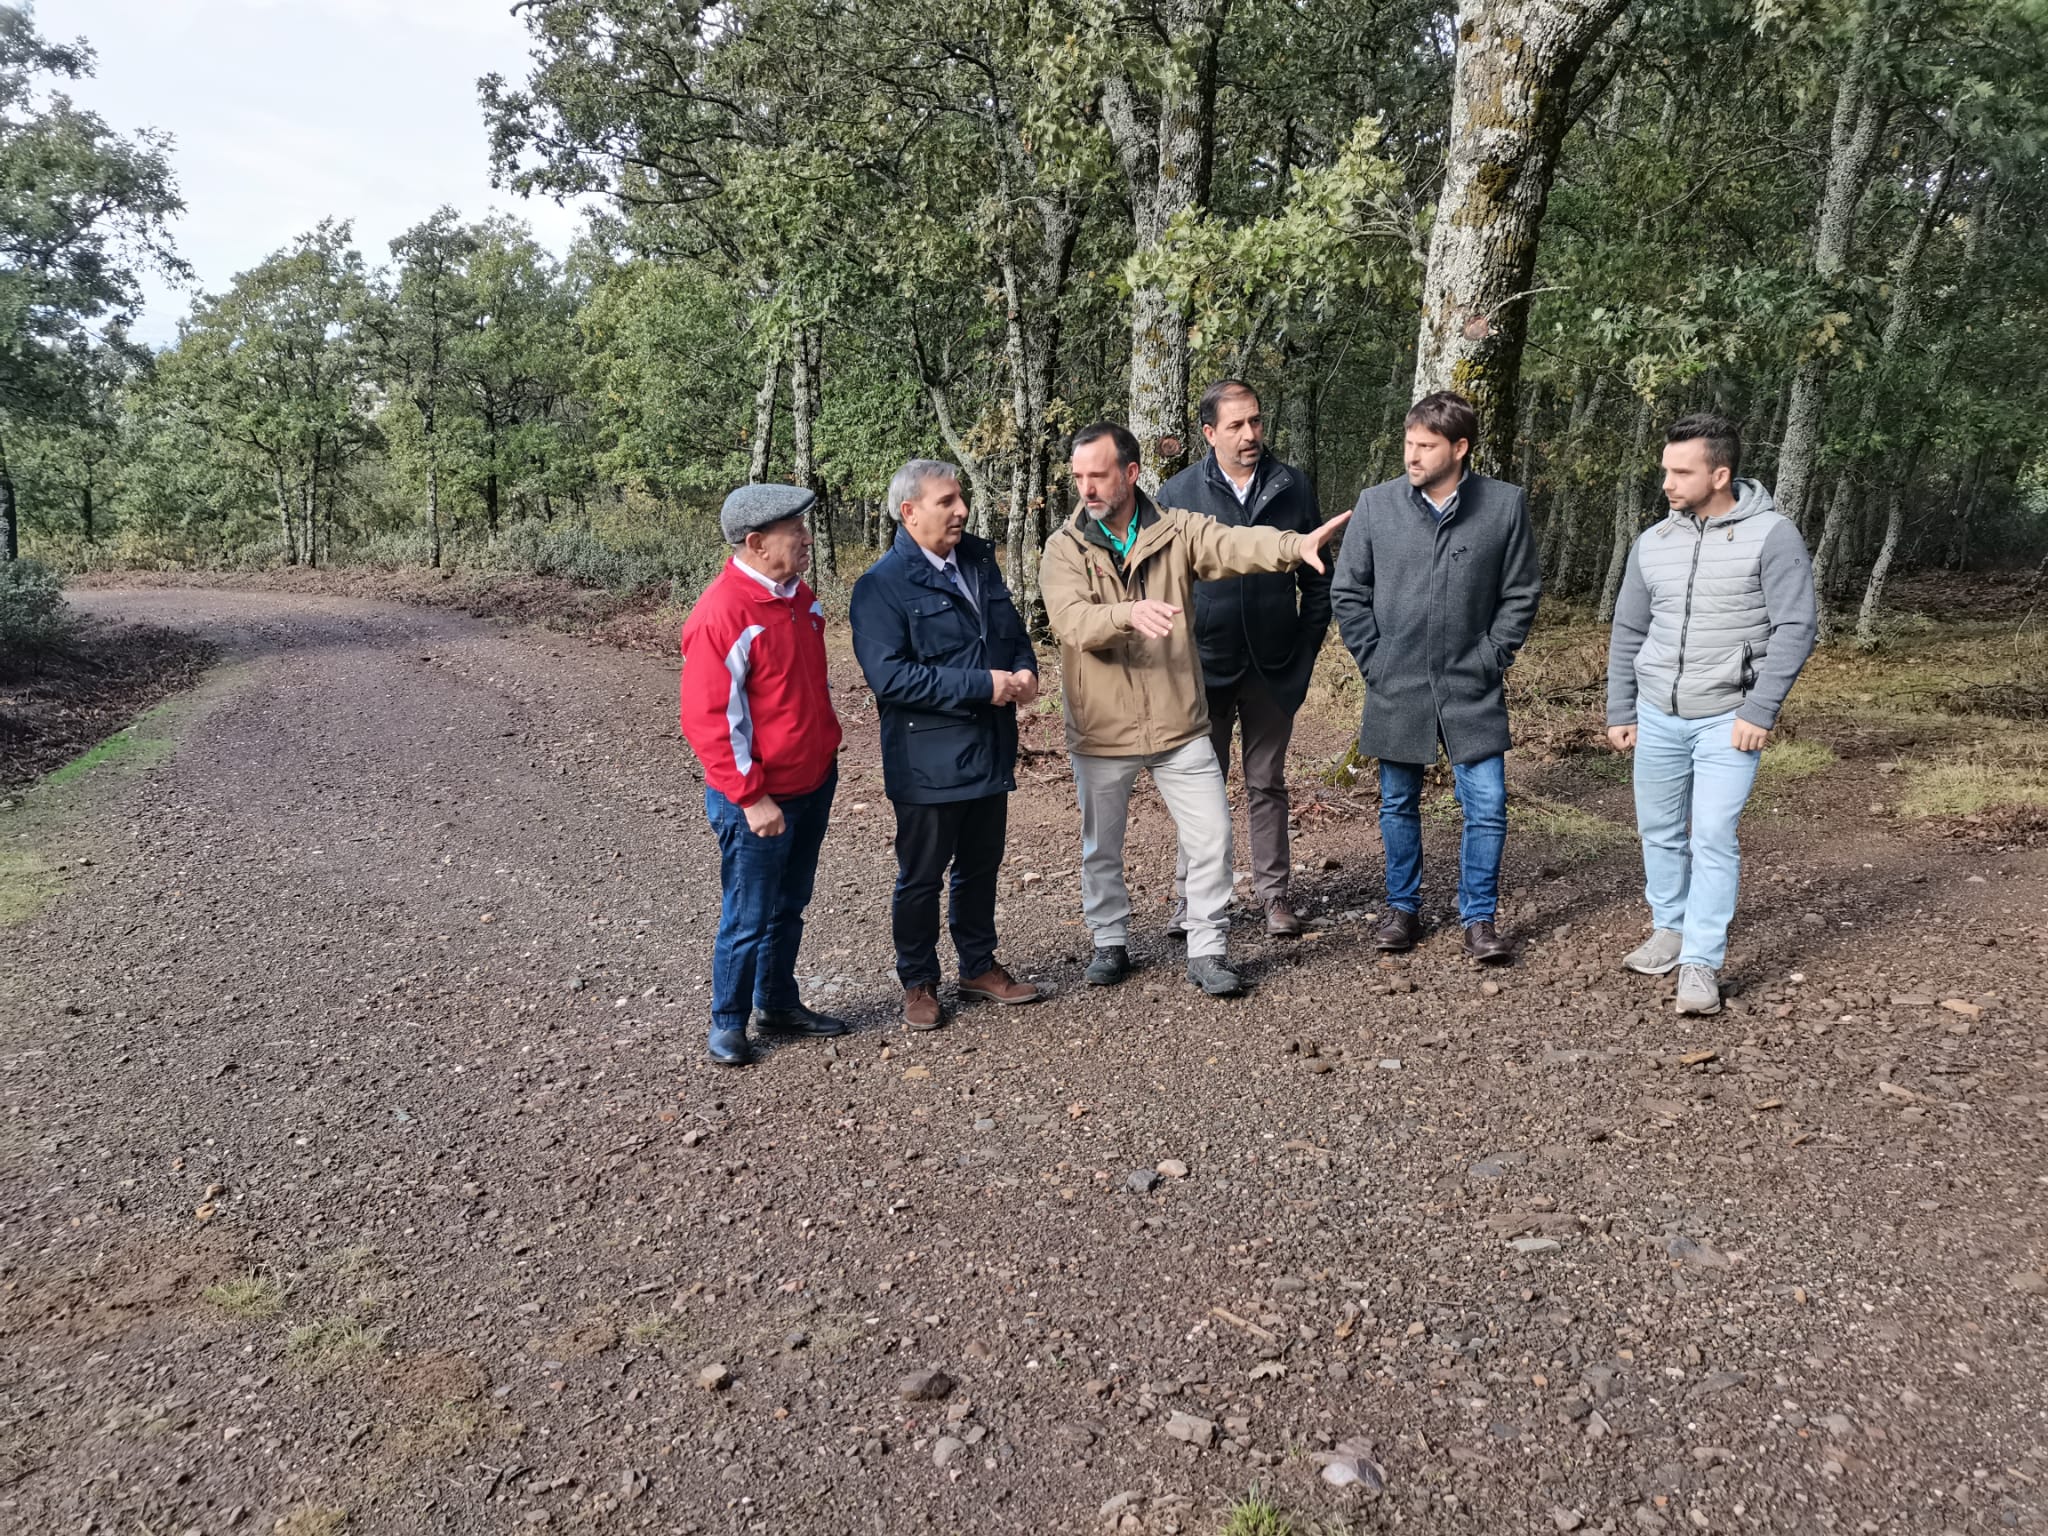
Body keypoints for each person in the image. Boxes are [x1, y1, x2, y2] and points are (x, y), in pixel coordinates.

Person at [1040, 422, 1351, 997]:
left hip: (1178, 721)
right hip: (1102, 728)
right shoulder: (1064, 547)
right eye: (1079, 476)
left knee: (1212, 836)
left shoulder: (1177, 529)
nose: (1086, 487)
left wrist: (1293, 546)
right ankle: (1109, 941)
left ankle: (1207, 948)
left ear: (1131, 474)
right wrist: (1126, 616)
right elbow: (1070, 621)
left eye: (1098, 475)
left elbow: (1234, 544)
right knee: (1101, 847)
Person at [1605, 413, 1817, 1016]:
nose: (1667, 483)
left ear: (1719, 474)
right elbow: (1628, 629)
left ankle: (1702, 960)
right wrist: (1622, 706)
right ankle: (1670, 928)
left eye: (1681, 472)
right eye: (1665, 471)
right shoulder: (1654, 542)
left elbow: (1796, 627)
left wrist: (1760, 709)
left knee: (1715, 836)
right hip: (1657, 714)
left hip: (1728, 719)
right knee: (1660, 831)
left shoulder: (1772, 536)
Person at [1330, 391, 1541, 964]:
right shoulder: (1376, 505)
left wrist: (1492, 656)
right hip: (1395, 682)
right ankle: (1402, 909)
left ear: (1460, 448)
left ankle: (1480, 919)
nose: (1413, 455)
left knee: (1488, 805)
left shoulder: (1504, 505)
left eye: (1426, 446)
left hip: (1472, 685)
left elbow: (1520, 592)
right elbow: (1348, 591)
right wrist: (1374, 659)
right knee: (1398, 802)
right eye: (1408, 443)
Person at [850, 459, 1046, 1032]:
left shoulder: (980, 562)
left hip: (989, 747)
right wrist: (984, 685)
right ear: (909, 512)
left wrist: (1025, 671)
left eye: (960, 498)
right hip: (927, 759)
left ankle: (978, 966)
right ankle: (917, 981)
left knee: (982, 865)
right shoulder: (880, 585)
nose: (961, 510)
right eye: (947, 501)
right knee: (922, 875)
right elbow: (891, 679)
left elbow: (1011, 632)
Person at [677, 484, 848, 1066]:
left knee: (790, 903)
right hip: (758, 798)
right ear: (756, 543)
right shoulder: (723, 613)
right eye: (793, 530)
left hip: (811, 783)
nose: (805, 538)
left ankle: (777, 1002)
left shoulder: (803, 600)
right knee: (748, 914)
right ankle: (728, 1021)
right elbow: (708, 722)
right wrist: (752, 798)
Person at [1157, 380, 1331, 939]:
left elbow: (1320, 581)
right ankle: (1192, 900)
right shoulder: (1177, 491)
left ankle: (1275, 898)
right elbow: (1163, 587)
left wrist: (1303, 653)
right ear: (1209, 434)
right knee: (1199, 787)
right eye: (1235, 425)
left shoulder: (1292, 485)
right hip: (1202, 667)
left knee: (1267, 781)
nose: (1250, 434)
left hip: (1275, 663)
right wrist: (1175, 660)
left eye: (1255, 421)